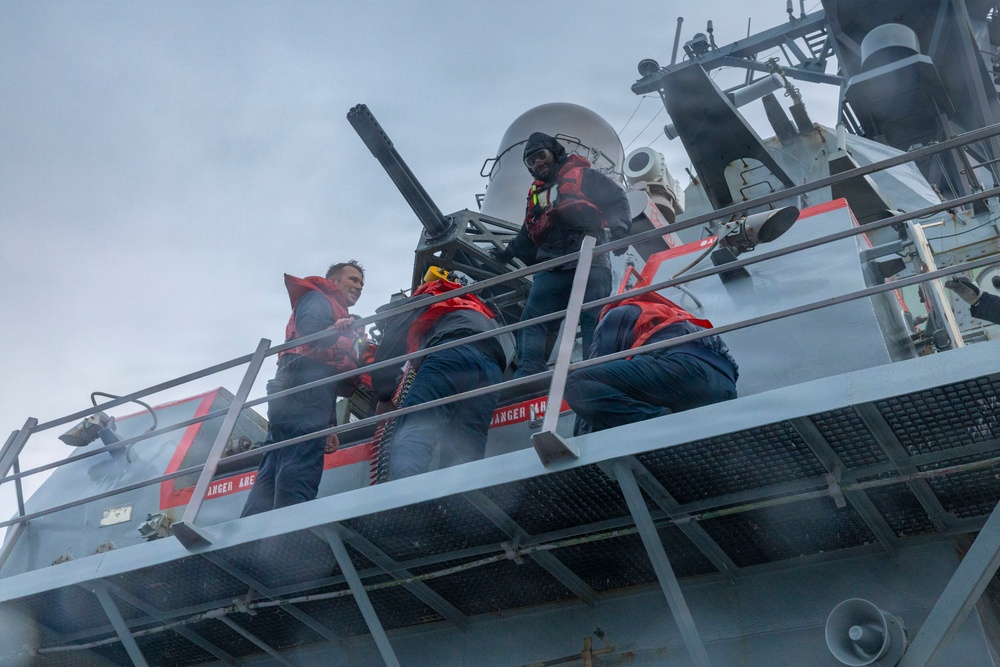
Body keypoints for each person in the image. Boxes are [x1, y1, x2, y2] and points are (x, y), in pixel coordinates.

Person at [491, 132, 632, 378]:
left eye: (541, 156)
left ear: (555, 153)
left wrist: (620, 229)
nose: (538, 164)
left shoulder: (584, 177)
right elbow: (527, 233)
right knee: (533, 318)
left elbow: (616, 199)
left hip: (591, 257)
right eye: (531, 161)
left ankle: (595, 370)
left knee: (592, 315)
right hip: (552, 264)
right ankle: (530, 371)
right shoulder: (537, 196)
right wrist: (506, 254)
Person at [241, 261, 366, 517]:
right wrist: (337, 329)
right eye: (353, 280)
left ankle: (252, 530)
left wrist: (330, 424)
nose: (358, 286)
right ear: (333, 281)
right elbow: (310, 330)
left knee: (276, 461)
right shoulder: (317, 298)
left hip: (297, 389)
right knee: (302, 464)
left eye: (361, 284)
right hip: (303, 389)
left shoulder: (327, 306)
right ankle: (289, 530)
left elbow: (325, 373)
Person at [370, 276, 513, 479]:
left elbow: (391, 343)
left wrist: (383, 396)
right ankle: (456, 502)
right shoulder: (470, 305)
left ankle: (406, 497)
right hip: (491, 369)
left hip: (451, 354)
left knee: (415, 431)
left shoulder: (426, 298)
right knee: (466, 443)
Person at [563, 290, 738, 435]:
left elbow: (596, 366)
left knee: (574, 382)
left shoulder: (615, 314)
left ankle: (658, 424)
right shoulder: (666, 315)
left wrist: (582, 442)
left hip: (683, 371)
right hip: (725, 387)